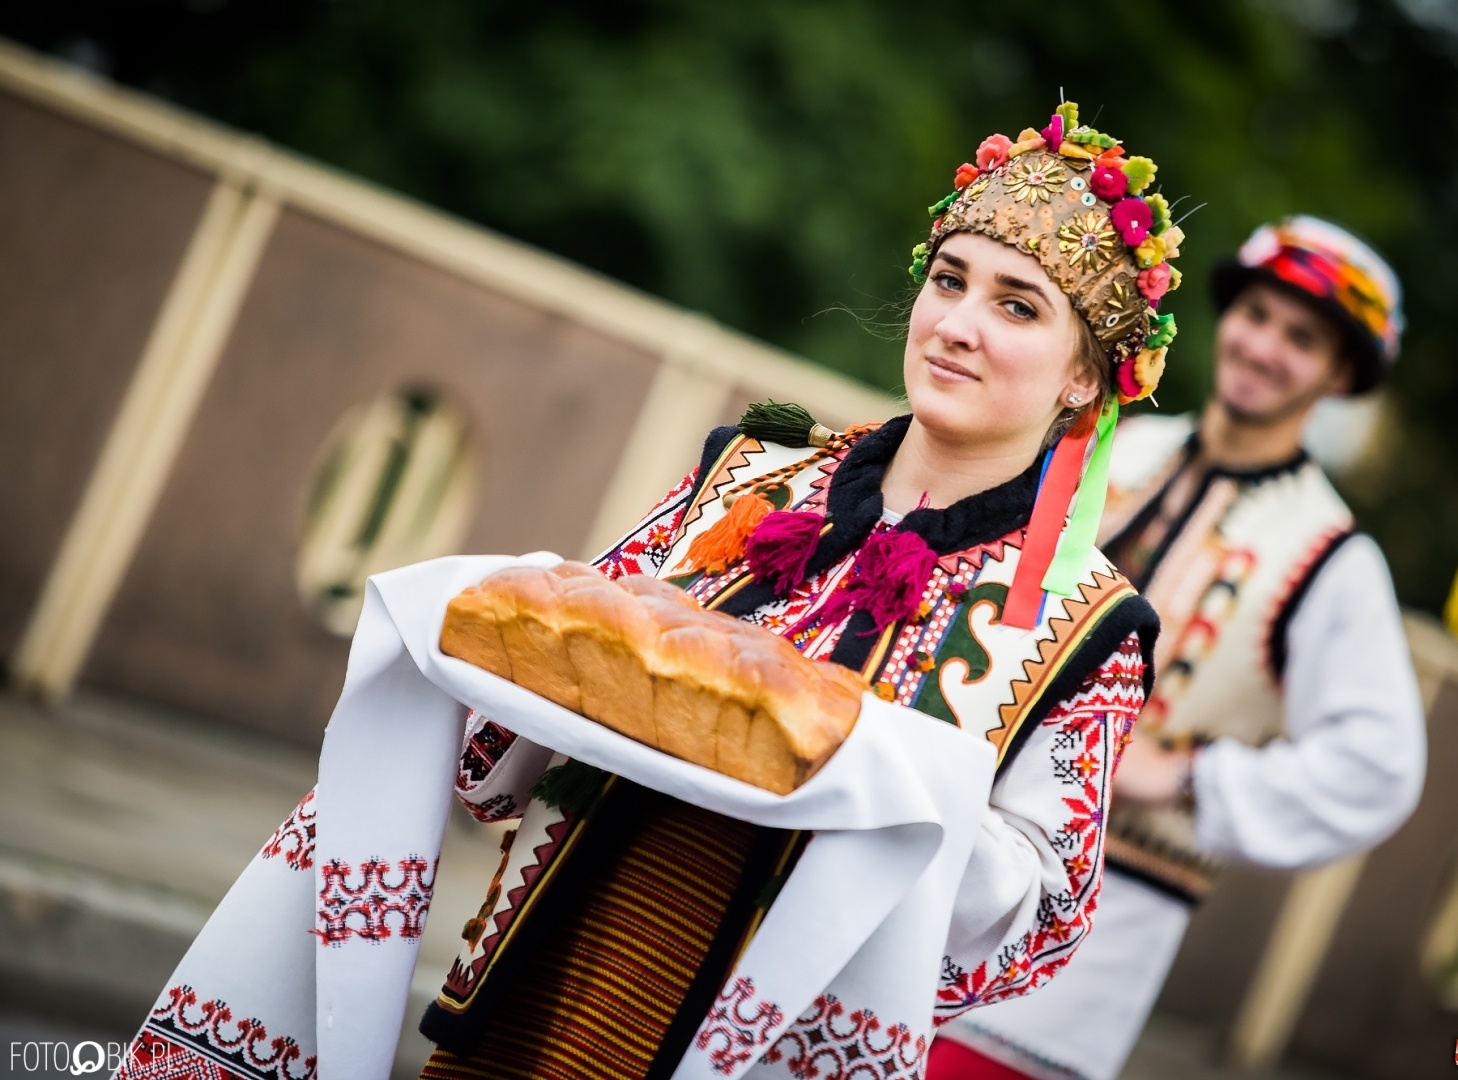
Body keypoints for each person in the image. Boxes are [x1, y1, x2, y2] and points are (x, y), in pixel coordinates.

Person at [118, 103, 1179, 1080]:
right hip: (553, 970)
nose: (958, 324)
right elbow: (535, 702)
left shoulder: (1087, 624)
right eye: (948, 281)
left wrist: (905, 781)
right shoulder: (753, 471)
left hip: (761, 1030)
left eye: (1017, 307)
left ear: (1086, 377)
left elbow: (1038, 917)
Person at [928, 216, 1429, 1080]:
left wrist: (1191, 776)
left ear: (1341, 374)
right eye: (1255, 315)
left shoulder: (1330, 554)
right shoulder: (1113, 443)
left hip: (1093, 936)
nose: (1263, 346)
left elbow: (1381, 765)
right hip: (944, 852)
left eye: (1301, 338)